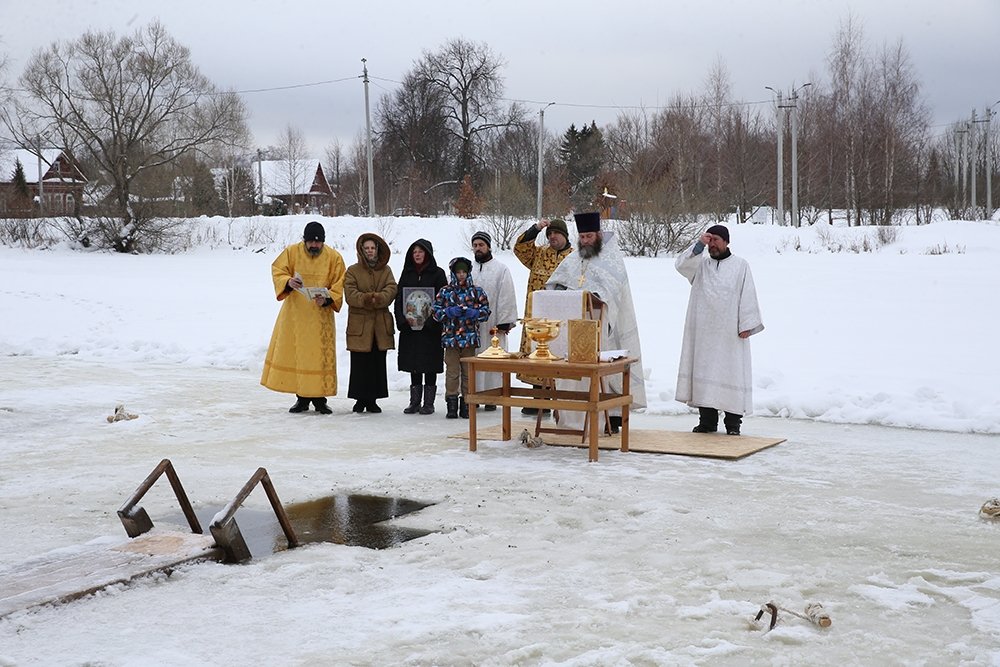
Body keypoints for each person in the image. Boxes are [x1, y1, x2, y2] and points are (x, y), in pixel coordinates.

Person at [546, 211, 647, 432]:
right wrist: (563, 290)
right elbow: (555, 281)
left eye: (589, 236)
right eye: (582, 237)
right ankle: (570, 418)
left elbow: (612, 291)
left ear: (598, 235)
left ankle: (609, 420)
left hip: (603, 327)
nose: (585, 241)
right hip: (573, 327)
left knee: (605, 372)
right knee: (572, 372)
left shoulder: (612, 260)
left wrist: (594, 296)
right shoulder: (573, 258)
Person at [675, 224, 764, 436]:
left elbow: (748, 294)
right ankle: (707, 422)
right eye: (710, 239)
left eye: (716, 240)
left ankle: (733, 424)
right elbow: (681, 265)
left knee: (731, 374)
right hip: (704, 334)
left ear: (726, 241)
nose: (712, 244)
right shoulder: (701, 265)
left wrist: (747, 325)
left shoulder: (741, 266)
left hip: (730, 335)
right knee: (704, 376)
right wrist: (698, 244)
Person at [261, 221, 346, 414]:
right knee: (299, 355)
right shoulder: (292, 252)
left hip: (320, 317)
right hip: (295, 315)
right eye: (311, 242)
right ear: (304, 240)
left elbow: (340, 283)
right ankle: (301, 398)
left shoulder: (334, 257)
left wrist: (327, 299)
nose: (314, 245)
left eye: (318, 243)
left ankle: (320, 400)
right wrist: (288, 282)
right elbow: (278, 270)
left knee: (319, 357)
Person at [513, 218, 573, 414]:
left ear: (564, 235)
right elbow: (520, 248)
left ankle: (561, 402)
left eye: (555, 233)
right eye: (549, 234)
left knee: (560, 356)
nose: (552, 237)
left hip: (563, 316)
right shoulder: (539, 254)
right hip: (538, 316)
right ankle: (538, 398)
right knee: (537, 353)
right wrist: (536, 229)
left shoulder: (575, 257)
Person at [343, 233, 398, 414]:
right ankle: (360, 399)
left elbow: (391, 289)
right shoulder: (352, 270)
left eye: (372, 248)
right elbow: (350, 294)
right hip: (360, 325)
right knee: (360, 364)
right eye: (366, 248)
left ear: (377, 249)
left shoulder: (386, 270)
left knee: (376, 363)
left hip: (379, 326)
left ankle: (373, 399)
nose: (369, 251)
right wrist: (367, 299)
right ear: (361, 250)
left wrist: (380, 298)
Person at [394, 239, 448, 415]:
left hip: (430, 330)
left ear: (428, 254)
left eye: (421, 251)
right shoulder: (407, 273)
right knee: (414, 363)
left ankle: (429, 403)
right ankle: (414, 401)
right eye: (414, 251)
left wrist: (432, 322)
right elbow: (399, 299)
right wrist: (402, 320)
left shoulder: (438, 274)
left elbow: (442, 300)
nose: (417, 254)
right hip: (410, 329)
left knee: (430, 364)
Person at [432, 257, 491, 419]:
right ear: (453, 273)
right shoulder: (445, 291)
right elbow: (435, 313)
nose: (461, 275)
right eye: (458, 272)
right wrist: (448, 313)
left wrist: (476, 313)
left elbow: (486, 311)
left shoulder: (477, 291)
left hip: (469, 339)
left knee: (468, 373)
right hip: (451, 340)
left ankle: (467, 403)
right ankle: (451, 403)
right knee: (452, 372)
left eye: (464, 271)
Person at [470, 231, 518, 411]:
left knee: (492, 359)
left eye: (481, 245)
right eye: (475, 245)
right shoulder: (468, 269)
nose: (478, 248)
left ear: (488, 246)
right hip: (472, 325)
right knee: (474, 358)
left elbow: (506, 294)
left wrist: (505, 321)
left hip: (493, 325)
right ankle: (473, 395)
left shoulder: (500, 269)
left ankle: (492, 395)